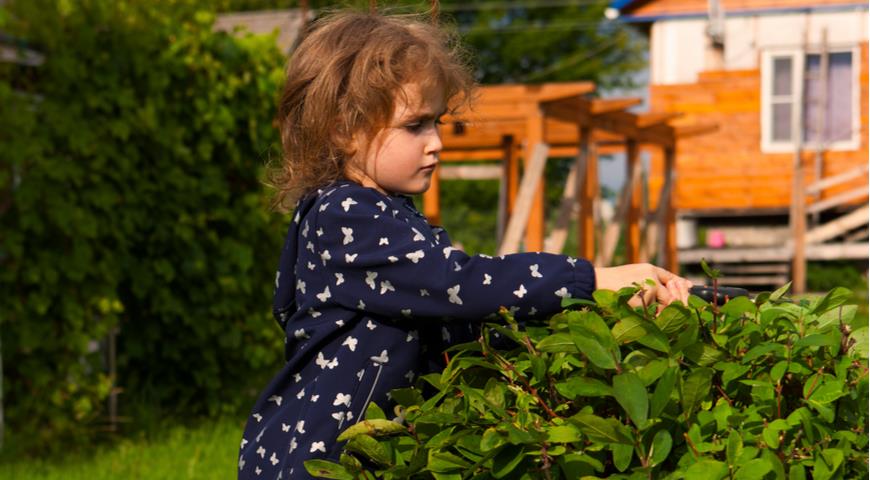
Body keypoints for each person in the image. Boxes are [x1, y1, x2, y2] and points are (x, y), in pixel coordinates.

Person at [238, 10, 692, 479]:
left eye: (437, 122)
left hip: (367, 459)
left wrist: (604, 314)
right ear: (342, 129)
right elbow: (460, 285)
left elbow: (456, 321)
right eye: (415, 125)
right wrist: (590, 281)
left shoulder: (389, 215)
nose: (436, 142)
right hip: (318, 460)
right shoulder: (344, 214)